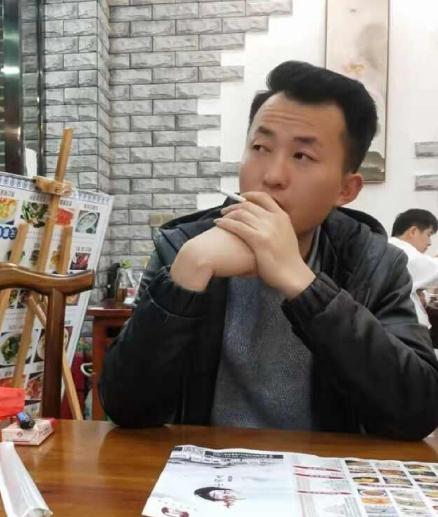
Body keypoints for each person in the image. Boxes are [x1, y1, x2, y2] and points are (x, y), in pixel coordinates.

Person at [100, 60, 438, 441]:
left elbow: (417, 411)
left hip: (321, 472)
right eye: (260, 147)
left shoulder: (374, 263)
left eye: (302, 156)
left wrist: (303, 285)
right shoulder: (183, 246)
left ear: (346, 189)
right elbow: (126, 407)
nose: (272, 175)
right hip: (204, 468)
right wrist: (187, 273)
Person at [389, 209, 438, 328]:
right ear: (413, 231)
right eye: (428, 235)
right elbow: (434, 271)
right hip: (405, 330)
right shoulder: (401, 253)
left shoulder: (390, 248)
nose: (429, 243)